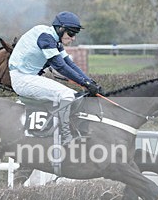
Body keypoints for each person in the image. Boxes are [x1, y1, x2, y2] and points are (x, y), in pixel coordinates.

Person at [8, 11, 102, 143]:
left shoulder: (54, 40)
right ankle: (65, 135)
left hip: (30, 77)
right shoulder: (46, 38)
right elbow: (60, 67)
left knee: (75, 96)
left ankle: (70, 130)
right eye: (71, 33)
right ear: (61, 29)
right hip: (22, 79)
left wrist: (90, 82)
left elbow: (69, 64)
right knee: (66, 95)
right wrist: (85, 84)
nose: (73, 38)